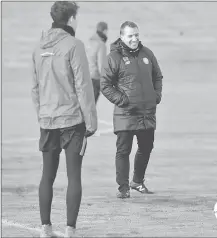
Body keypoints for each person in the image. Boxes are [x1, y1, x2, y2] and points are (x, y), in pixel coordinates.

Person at [31, 1, 97, 237]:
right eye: (76, 18)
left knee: (46, 176)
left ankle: (45, 228)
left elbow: (35, 88)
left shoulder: (38, 47)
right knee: (73, 176)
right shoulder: (74, 45)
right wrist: (91, 120)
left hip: (47, 121)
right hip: (72, 122)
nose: (77, 22)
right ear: (70, 19)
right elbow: (83, 86)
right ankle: (70, 230)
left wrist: (43, 114)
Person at [100, 21, 163, 199]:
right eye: (130, 36)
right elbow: (105, 85)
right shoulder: (114, 57)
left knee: (146, 147)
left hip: (147, 112)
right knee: (123, 151)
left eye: (136, 35)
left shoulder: (147, 53)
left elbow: (157, 76)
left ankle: (137, 181)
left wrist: (156, 96)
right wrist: (122, 100)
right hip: (125, 114)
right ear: (122, 37)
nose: (134, 38)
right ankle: (123, 188)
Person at [87, 21, 108, 104]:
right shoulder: (101, 45)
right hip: (95, 79)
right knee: (91, 107)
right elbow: (101, 65)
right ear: (105, 31)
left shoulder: (89, 42)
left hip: (85, 77)